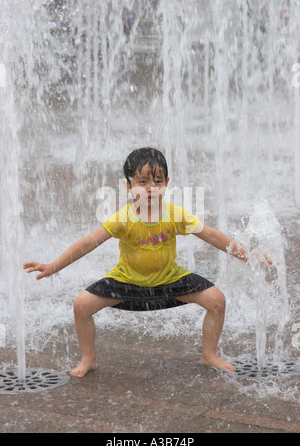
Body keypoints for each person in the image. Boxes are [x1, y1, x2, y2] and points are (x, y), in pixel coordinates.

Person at [23, 147, 271, 378]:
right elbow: (88, 243)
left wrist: (248, 256)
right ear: (128, 186)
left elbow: (211, 234)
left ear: (167, 184)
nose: (150, 188)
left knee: (217, 300)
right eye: (142, 182)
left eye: (157, 181)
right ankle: (89, 359)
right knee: (81, 306)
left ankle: (209, 354)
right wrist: (53, 266)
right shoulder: (123, 218)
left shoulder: (175, 215)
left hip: (169, 280)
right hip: (126, 283)